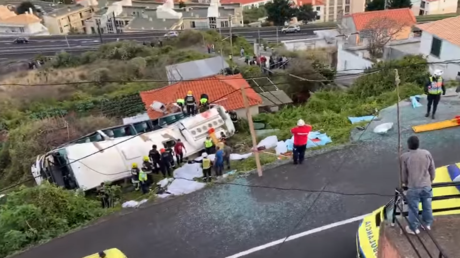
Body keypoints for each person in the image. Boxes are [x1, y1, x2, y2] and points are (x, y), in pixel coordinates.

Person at [400, 135, 435, 235]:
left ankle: (414, 228)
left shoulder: (404, 157)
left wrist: (406, 183)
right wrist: (430, 180)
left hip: (413, 186)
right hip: (426, 185)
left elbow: (403, 174)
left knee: (413, 208)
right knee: (427, 206)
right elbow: (432, 169)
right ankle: (427, 224)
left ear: (408, 145)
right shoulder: (426, 153)